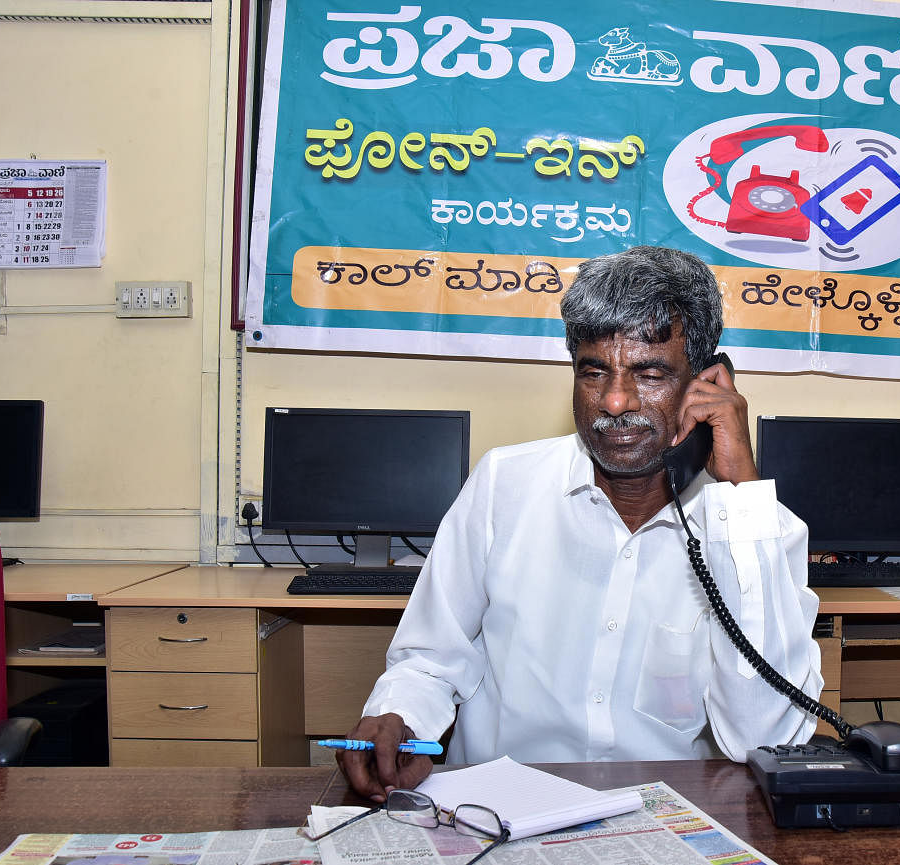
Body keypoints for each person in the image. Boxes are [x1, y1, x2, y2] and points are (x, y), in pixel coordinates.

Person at [337, 245, 822, 800]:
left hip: (668, 821)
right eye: (594, 371)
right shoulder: (504, 485)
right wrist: (397, 716)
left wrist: (739, 493)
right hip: (499, 811)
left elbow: (762, 735)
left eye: (650, 372)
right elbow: (431, 657)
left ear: (710, 383)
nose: (614, 400)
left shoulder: (760, 530)